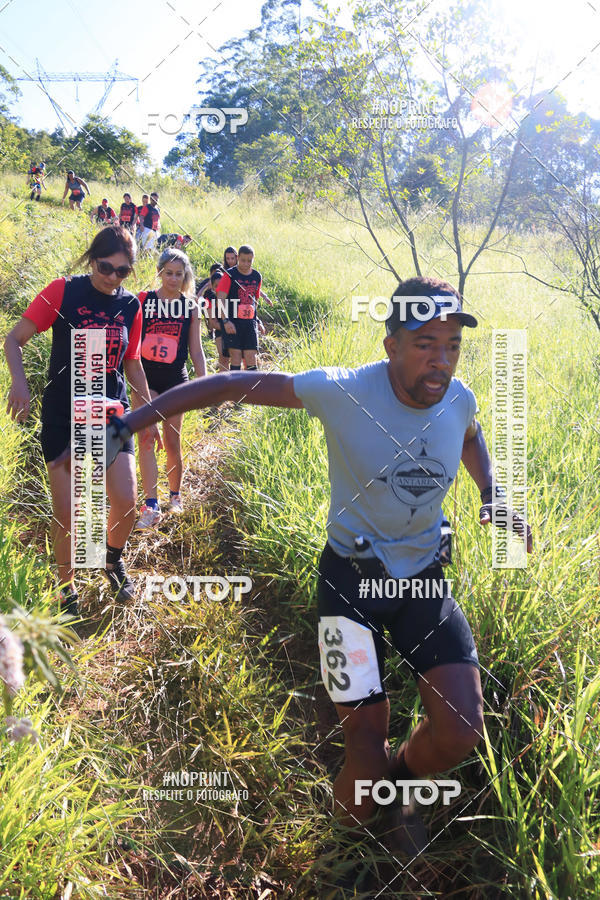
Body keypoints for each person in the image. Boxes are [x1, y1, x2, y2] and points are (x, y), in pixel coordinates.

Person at [84, 276, 532, 846]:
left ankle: (404, 782)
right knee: (364, 759)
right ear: (391, 344)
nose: (441, 362)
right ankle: (345, 855)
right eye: (425, 345)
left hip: (423, 583)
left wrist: (492, 490)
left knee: (461, 729)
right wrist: (127, 425)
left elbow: (470, 435)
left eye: (452, 345)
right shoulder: (342, 391)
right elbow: (228, 384)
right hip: (349, 584)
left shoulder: (458, 396)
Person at [4, 226, 161, 617]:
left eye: (122, 271)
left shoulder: (130, 307)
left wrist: (149, 412)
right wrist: (19, 384)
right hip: (63, 413)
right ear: (92, 260)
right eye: (105, 267)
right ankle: (66, 587)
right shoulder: (63, 291)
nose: (112, 277)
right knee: (69, 511)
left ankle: (111, 560)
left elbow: (133, 361)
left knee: (125, 502)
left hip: (110, 414)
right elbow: (13, 339)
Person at [135, 248, 207, 529]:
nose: (173, 279)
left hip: (175, 379)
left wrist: (206, 382)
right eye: (168, 273)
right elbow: (133, 346)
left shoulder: (190, 306)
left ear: (185, 275)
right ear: (160, 272)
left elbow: (196, 350)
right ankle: (150, 504)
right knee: (146, 438)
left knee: (172, 440)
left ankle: (175, 496)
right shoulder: (145, 300)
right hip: (146, 378)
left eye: (179, 274)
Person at [216, 245, 271, 371]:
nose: (246, 263)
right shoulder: (229, 275)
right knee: (235, 356)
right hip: (232, 322)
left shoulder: (257, 276)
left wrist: (256, 321)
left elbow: (254, 301)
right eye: (243, 260)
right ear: (238, 258)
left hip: (249, 323)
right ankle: (235, 389)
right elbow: (220, 299)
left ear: (253, 260)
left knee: (251, 356)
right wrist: (225, 321)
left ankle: (252, 388)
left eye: (249, 261)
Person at [205, 270, 229, 372]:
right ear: (212, 287)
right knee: (223, 358)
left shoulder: (231, 296)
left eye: (222, 285)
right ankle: (224, 383)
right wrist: (227, 326)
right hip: (221, 330)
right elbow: (213, 323)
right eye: (216, 286)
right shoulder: (210, 299)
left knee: (237, 358)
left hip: (236, 330)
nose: (219, 288)